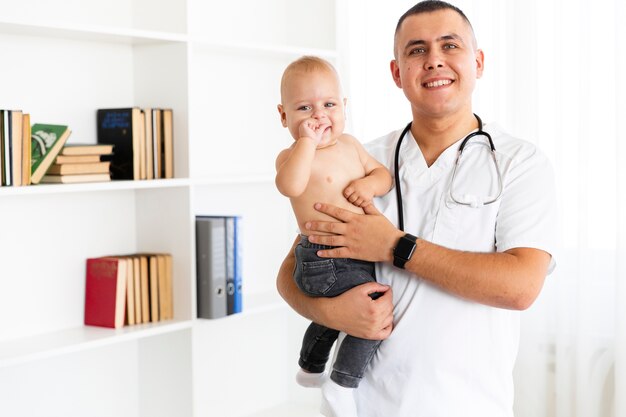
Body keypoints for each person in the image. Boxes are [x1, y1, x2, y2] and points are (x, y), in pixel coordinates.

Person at [276, 1, 558, 417]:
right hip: (363, 406)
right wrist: (332, 312)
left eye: (450, 46)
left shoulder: (519, 163)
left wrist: (395, 247)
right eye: (416, 50)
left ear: (477, 62)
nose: (434, 61)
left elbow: (520, 288)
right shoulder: (357, 158)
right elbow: (289, 276)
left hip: (468, 406)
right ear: (397, 73)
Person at [275, 56, 393, 415]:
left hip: (358, 254)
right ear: (284, 116)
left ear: (344, 107)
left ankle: (310, 367)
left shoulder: (352, 145)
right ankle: (342, 383)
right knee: (371, 312)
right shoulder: (293, 156)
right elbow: (289, 185)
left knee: (335, 316)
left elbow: (383, 175)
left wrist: (367, 184)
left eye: (328, 105)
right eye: (304, 108)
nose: (318, 116)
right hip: (322, 259)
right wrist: (306, 144)